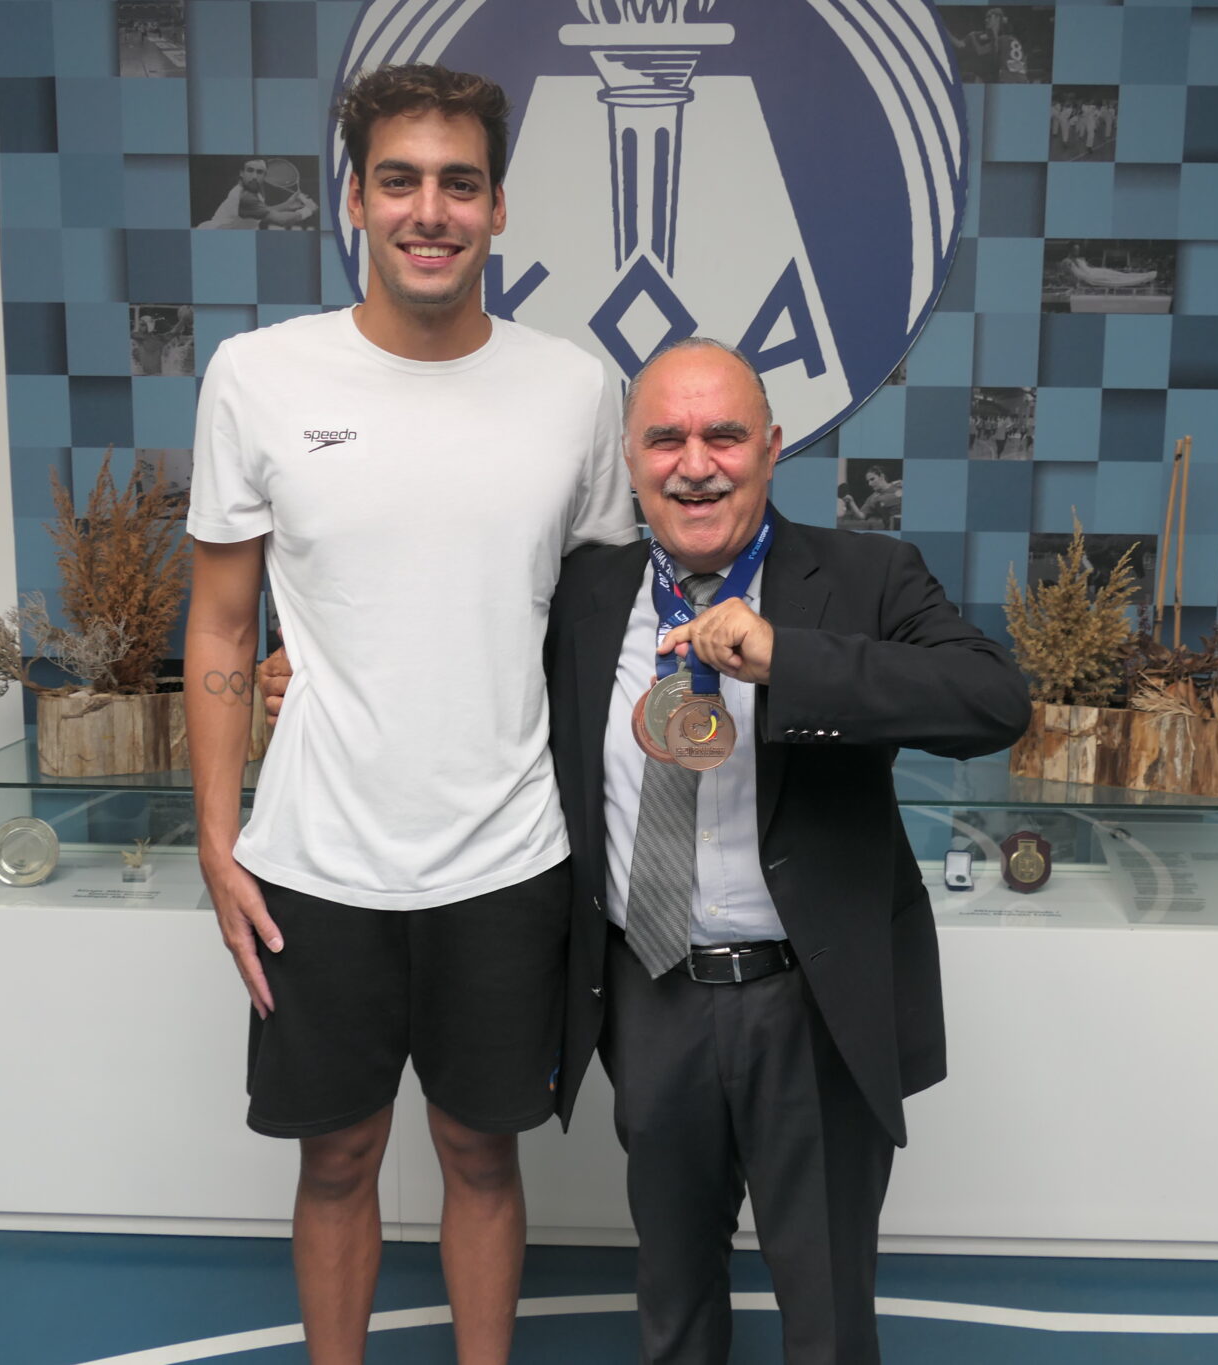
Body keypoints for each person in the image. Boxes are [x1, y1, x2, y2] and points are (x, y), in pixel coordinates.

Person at [263, 339, 1027, 1361]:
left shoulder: (864, 576)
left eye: (723, 437)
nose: (694, 465)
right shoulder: (579, 594)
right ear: (628, 460)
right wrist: (312, 670)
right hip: (651, 993)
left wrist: (785, 656)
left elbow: (991, 701)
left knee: (828, 1315)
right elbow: (452, 658)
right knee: (671, 1303)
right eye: (665, 439)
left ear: (771, 447)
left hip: (812, 1003)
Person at [181, 63, 636, 1365]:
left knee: (480, 1152)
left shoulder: (575, 391)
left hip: (508, 854)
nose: (428, 210)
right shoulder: (258, 377)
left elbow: (595, 628)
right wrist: (217, 841)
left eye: (458, 183)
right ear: (354, 199)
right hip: (316, 858)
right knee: (337, 1157)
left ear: (498, 206)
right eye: (399, 181)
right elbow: (222, 624)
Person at [198, 157, 319, 229]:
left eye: (259, 172)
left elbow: (260, 213)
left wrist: (287, 205)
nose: (254, 176)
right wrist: (308, 210)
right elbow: (282, 221)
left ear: (265, 176)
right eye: (250, 170)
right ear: (241, 173)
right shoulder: (245, 197)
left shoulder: (253, 193)